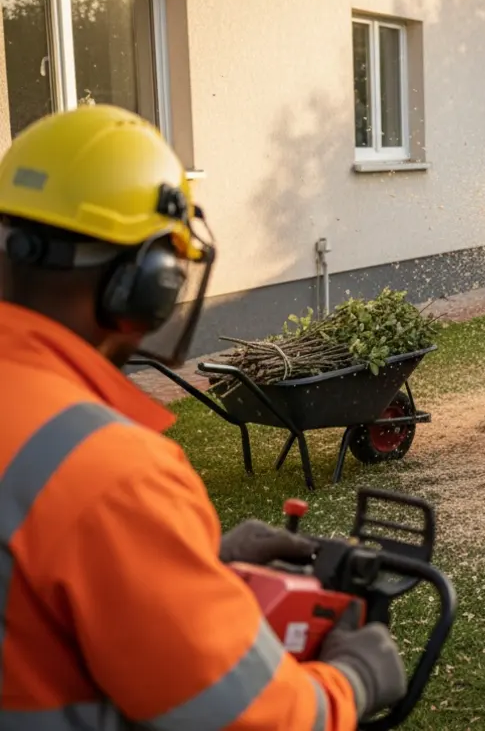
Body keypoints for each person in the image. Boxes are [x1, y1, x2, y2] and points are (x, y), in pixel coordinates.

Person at [0, 105, 407, 730]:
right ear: (147, 285)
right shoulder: (108, 471)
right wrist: (353, 682)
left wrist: (186, 561)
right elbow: (243, 718)